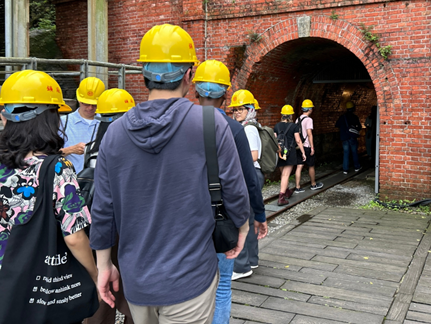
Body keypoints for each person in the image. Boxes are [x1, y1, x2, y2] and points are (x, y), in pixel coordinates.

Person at [90, 24, 250, 324]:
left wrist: (104, 264)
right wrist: (241, 228)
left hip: (136, 279)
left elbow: (103, 208)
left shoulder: (114, 133)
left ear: (144, 74)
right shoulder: (211, 124)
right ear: (189, 74)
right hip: (190, 276)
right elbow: (234, 188)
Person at [0, 70, 97, 322]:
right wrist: (94, 275)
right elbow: (74, 236)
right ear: (49, 119)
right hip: (38, 290)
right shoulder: (57, 168)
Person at [192, 61, 267, 324]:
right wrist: (258, 214)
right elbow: (249, 179)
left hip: (186, 219)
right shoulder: (234, 129)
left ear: (196, 92)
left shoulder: (180, 125)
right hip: (222, 219)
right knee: (222, 286)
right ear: (225, 96)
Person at [83, 88, 136, 324]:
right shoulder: (137, 147)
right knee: (133, 294)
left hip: (98, 228)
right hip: (130, 229)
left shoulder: (91, 147)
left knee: (102, 290)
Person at [227, 89, 267, 282]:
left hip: (251, 174)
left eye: (241, 109)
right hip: (252, 174)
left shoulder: (248, 129)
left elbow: (253, 156)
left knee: (244, 219)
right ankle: (252, 260)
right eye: (235, 109)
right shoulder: (248, 126)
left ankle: (242, 266)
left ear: (251, 109)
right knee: (249, 220)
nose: (237, 112)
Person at [60, 77, 105, 173]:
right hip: (69, 180)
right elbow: (48, 155)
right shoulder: (63, 122)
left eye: (95, 104)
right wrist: (70, 150)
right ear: (79, 99)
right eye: (86, 103)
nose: (90, 108)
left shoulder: (106, 123)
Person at [274, 105, 305, 206]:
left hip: (279, 152)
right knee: (286, 175)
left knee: (283, 174)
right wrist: (303, 152)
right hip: (289, 153)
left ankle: (286, 191)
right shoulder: (294, 126)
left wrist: (277, 151)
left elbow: (275, 140)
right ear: (291, 115)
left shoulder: (277, 126)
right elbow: (298, 140)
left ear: (282, 115)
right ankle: (281, 197)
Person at [294, 99, 323, 193]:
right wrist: (312, 147)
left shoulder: (297, 119)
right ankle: (313, 184)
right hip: (306, 145)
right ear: (310, 109)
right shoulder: (309, 120)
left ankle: (297, 187)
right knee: (311, 166)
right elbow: (309, 134)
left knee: (299, 166)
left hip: (299, 146)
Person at [335, 101, 362, 174]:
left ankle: (345, 169)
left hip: (344, 138)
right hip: (352, 137)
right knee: (354, 152)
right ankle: (357, 167)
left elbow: (337, 125)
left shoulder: (342, 117)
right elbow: (359, 127)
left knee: (346, 153)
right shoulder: (355, 117)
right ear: (353, 108)